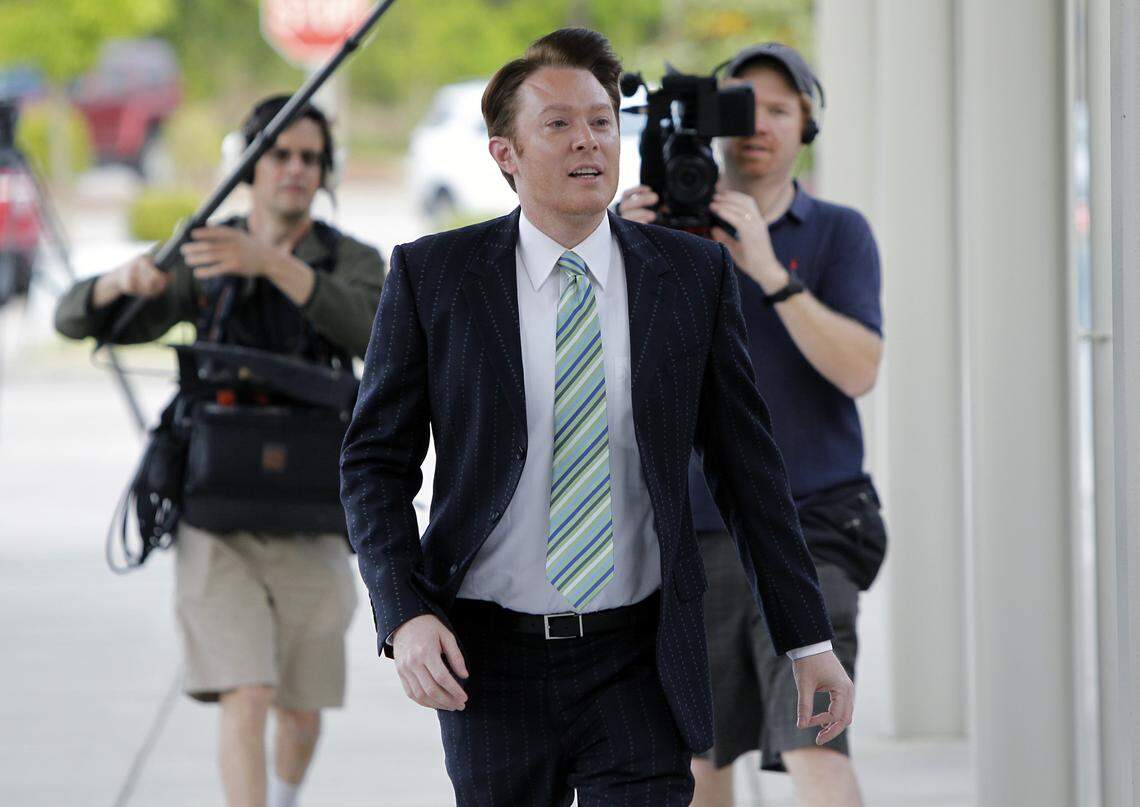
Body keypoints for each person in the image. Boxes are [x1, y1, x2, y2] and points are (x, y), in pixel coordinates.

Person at [340, 28, 853, 806]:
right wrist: (403, 612)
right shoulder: (433, 275)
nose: (588, 140)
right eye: (558, 124)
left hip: (637, 656)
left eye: (603, 121)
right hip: (490, 661)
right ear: (504, 153)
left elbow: (749, 470)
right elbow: (373, 464)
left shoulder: (690, 276)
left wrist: (806, 638)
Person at [54, 96, 386, 807]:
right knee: (248, 685)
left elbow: (375, 332)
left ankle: (288, 795)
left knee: (300, 703)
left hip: (314, 509)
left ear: (325, 173)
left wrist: (271, 265)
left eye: (309, 158)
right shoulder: (204, 250)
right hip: (215, 508)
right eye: (278, 154)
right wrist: (123, 281)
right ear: (249, 165)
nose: (294, 169)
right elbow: (78, 316)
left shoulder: (350, 259)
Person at [618, 42, 886, 807]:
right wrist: (620, 257)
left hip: (812, 529)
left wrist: (768, 272)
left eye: (778, 109)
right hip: (693, 533)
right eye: (738, 109)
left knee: (816, 743)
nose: (756, 126)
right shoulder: (657, 240)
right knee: (697, 763)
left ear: (807, 125)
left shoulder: (837, 234)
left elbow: (859, 369)